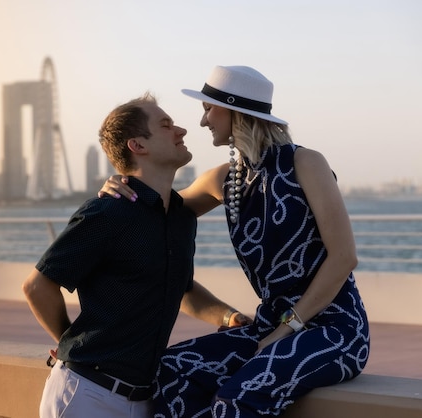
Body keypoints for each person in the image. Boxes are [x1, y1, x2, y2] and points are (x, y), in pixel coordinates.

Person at [99, 66, 370, 417]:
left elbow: (344, 257)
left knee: (240, 396)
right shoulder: (224, 179)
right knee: (172, 370)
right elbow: (154, 212)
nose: (203, 121)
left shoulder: (306, 162)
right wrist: (118, 189)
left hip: (335, 330)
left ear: (234, 109)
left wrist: (290, 326)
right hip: (269, 327)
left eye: (209, 109)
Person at [22, 92, 250, 418]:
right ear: (137, 146)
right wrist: (71, 347)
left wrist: (229, 318)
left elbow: (182, 289)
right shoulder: (107, 212)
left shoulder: (181, 218)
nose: (182, 131)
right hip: (86, 395)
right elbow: (36, 287)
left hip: (146, 399)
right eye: (166, 125)